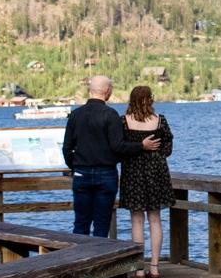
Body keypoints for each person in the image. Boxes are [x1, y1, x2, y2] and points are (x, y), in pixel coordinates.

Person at [62, 75, 160, 237]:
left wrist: (75, 166)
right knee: (101, 224)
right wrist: (141, 145)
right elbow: (118, 146)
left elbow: (67, 148)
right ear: (107, 91)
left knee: (80, 223)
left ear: (90, 90)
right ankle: (99, 253)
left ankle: (80, 253)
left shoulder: (75, 115)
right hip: (106, 173)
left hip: (81, 173)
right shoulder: (111, 114)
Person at [117, 84, 175, 278]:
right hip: (155, 172)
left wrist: (137, 148)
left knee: (137, 220)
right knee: (155, 219)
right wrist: (154, 153)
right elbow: (167, 149)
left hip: (133, 172)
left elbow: (120, 148)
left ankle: (139, 268)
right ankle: (155, 266)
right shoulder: (160, 120)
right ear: (150, 99)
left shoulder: (124, 121)